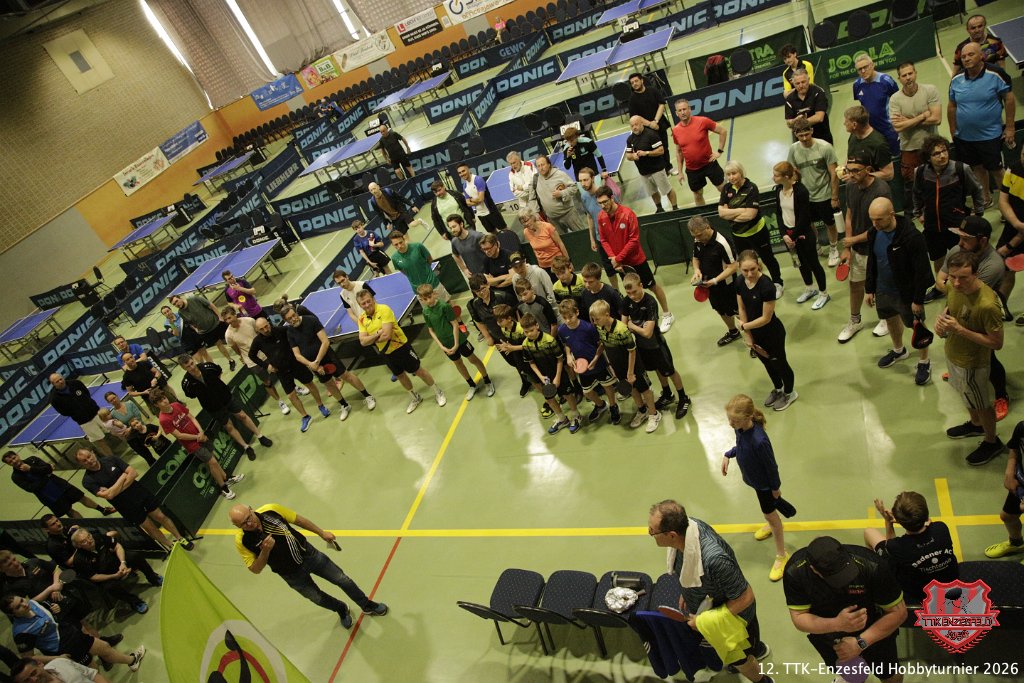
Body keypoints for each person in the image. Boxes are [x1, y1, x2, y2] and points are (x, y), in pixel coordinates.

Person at [647, 500, 772, 683]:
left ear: (672, 535)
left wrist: (704, 621)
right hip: (711, 604)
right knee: (748, 649)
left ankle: (762, 679)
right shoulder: (688, 529)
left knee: (740, 659)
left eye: (652, 531)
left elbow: (746, 597)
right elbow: (689, 571)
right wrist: (686, 590)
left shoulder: (714, 560)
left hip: (735, 621)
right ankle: (756, 649)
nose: (650, 533)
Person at [228, 503, 388, 628]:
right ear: (237, 526)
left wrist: (321, 533)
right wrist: (265, 551)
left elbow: (299, 520)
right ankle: (341, 608)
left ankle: (366, 605)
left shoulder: (270, 510)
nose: (249, 523)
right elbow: (255, 569)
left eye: (249, 517)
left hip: (309, 555)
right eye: (244, 524)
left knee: (342, 579)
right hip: (291, 574)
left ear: (251, 509)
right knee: (317, 598)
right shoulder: (242, 541)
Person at [782, 536, 907, 683]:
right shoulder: (795, 572)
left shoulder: (872, 566)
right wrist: (837, 624)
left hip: (875, 629)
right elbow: (799, 616)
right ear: (814, 569)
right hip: (830, 636)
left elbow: (899, 612)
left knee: (891, 676)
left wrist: (861, 642)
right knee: (853, 677)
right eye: (835, 577)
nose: (844, 581)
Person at [935, 250, 1006, 466]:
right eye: (953, 276)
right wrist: (942, 322)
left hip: (973, 364)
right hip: (953, 354)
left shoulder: (987, 305)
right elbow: (951, 307)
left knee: (982, 404)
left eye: (963, 277)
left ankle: (992, 441)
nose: (956, 283)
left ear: (976, 274)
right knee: (966, 396)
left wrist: (959, 329)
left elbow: (996, 343)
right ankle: (976, 425)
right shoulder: (953, 287)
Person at [721, 394, 795, 581]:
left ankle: (781, 555)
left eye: (734, 420)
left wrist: (775, 488)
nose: (730, 424)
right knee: (769, 513)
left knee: (770, 515)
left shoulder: (759, 440)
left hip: (765, 486)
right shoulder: (741, 429)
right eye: (730, 419)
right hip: (755, 481)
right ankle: (771, 521)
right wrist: (728, 454)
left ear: (748, 417)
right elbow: (741, 447)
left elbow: (771, 466)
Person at [864, 197, 933, 386]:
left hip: (906, 293)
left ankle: (924, 362)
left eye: (879, 219)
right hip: (883, 289)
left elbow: (922, 271)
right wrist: (869, 289)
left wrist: (918, 299)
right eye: (872, 219)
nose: (875, 224)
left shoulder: (911, 237)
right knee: (890, 319)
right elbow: (872, 261)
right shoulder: (874, 233)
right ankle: (899, 350)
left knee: (917, 326)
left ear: (891, 214)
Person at [75, 447, 192, 552]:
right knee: (149, 527)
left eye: (89, 456)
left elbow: (133, 473)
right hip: (125, 505)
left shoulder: (111, 459)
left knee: (160, 516)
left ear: (93, 453)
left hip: (140, 493)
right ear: (81, 464)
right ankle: (170, 546)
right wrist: (122, 477)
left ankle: (180, 538)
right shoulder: (87, 481)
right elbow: (109, 496)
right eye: (84, 461)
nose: (89, 460)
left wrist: (113, 490)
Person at [595, 186, 674, 332]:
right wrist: (614, 258)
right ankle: (640, 317)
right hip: (620, 264)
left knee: (652, 286)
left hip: (636, 260)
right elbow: (603, 240)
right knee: (631, 291)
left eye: (605, 202)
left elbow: (634, 240)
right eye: (599, 203)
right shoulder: (601, 217)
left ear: (612, 198)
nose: (603, 206)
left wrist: (618, 258)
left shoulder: (628, 214)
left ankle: (667, 314)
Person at [356, 289, 446, 414]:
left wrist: (371, 338)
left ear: (373, 299)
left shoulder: (384, 310)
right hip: (386, 352)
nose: (367, 305)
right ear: (360, 305)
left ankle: (438, 392)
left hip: (401, 347)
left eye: (368, 301)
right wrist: (377, 333)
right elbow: (362, 341)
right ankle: (415, 397)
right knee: (400, 375)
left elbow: (386, 335)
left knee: (418, 370)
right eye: (363, 303)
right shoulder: (361, 319)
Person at [948, 41, 1015, 209]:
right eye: (963, 56)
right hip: (965, 137)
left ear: (981, 56)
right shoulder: (956, 79)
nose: (966, 59)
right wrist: (953, 129)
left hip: (990, 135)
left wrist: (1010, 127)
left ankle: (1010, 204)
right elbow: (952, 105)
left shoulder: (996, 74)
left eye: (971, 54)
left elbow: (1009, 99)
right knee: (977, 168)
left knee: (997, 170)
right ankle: (985, 198)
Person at [1, 596, 144, 672]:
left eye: (21, 600)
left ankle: (132, 661)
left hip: (74, 635)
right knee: (93, 671)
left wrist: (55, 608)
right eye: (18, 607)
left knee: (105, 648)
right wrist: (57, 658)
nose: (24, 604)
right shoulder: (21, 632)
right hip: (64, 649)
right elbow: (28, 657)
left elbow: (49, 613)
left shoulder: (33, 603)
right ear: (13, 614)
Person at [837, 153, 893, 344]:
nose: (851, 175)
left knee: (881, 286)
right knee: (855, 285)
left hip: (879, 247)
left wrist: (852, 240)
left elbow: (879, 226)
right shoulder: (850, 186)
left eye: (855, 171)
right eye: (848, 170)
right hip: (858, 249)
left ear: (868, 170)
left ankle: (886, 318)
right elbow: (849, 215)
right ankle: (855, 321)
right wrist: (848, 246)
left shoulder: (881, 190)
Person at [864, 491, 958, 604]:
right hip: (950, 583)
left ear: (899, 521)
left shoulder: (898, 546)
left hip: (920, 593)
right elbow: (929, 524)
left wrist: (888, 522)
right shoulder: (941, 528)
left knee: (869, 532)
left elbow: (890, 546)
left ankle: (874, 573)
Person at [913, 135, 984, 282]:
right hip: (932, 226)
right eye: (936, 153)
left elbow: (977, 190)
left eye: (944, 151)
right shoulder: (920, 172)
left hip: (956, 225)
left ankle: (961, 285)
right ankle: (941, 285)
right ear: (928, 158)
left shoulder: (961, 169)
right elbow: (916, 193)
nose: (942, 156)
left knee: (960, 259)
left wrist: (978, 213)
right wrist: (918, 212)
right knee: (938, 258)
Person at [284, 306, 375, 420]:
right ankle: (344, 405)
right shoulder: (290, 332)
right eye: (289, 318)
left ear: (296, 313)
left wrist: (317, 361)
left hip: (328, 357)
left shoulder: (311, 320)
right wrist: (312, 365)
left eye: (294, 315)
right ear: (286, 320)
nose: (293, 319)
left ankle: (367, 396)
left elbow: (325, 342)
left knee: (346, 376)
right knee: (329, 384)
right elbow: (297, 355)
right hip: (313, 365)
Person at [151, 390, 243, 499]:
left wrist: (201, 431)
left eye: (164, 398)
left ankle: (226, 478)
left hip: (201, 435)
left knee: (213, 458)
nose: (165, 401)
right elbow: (179, 436)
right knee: (212, 462)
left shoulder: (176, 405)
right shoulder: (163, 419)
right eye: (160, 401)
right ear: (156, 405)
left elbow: (191, 417)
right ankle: (223, 488)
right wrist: (197, 437)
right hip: (192, 444)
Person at [735, 250, 798, 412]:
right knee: (767, 364)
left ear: (758, 265)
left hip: (772, 334)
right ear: (739, 268)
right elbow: (742, 308)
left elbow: (766, 318)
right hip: (755, 334)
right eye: (745, 270)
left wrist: (744, 327)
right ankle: (778, 389)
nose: (749, 274)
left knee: (780, 364)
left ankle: (790, 393)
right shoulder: (739, 281)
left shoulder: (767, 285)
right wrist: (748, 335)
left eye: (753, 269)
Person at [176, 354, 271, 460]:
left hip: (226, 397)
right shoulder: (186, 383)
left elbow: (219, 371)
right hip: (213, 407)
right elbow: (191, 395)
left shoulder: (208, 367)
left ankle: (260, 436)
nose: (192, 367)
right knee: (229, 426)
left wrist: (217, 387)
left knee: (242, 415)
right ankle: (246, 447)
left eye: (192, 363)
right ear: (183, 368)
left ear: (193, 360)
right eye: (188, 366)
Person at [622, 272, 690, 419]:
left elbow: (647, 333)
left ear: (641, 285)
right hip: (642, 346)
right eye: (628, 293)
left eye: (634, 292)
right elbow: (623, 325)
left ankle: (684, 398)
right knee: (657, 369)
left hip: (657, 345)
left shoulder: (650, 302)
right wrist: (636, 327)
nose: (632, 296)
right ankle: (667, 394)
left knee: (670, 371)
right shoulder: (626, 301)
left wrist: (632, 326)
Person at [591, 299, 661, 433]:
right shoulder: (600, 327)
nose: (595, 322)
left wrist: (630, 372)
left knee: (645, 389)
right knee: (631, 389)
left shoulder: (621, 330)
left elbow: (632, 351)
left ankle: (654, 414)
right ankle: (642, 410)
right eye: (593, 319)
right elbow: (604, 344)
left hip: (634, 366)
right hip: (618, 366)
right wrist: (596, 358)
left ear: (607, 315)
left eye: (597, 319)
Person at [417, 283, 493, 402]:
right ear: (421, 300)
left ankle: (487, 381)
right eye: (425, 299)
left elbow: (455, 324)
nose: (428, 300)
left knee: (473, 359)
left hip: (459, 340)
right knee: (458, 363)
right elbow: (431, 330)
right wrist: (441, 346)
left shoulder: (444, 306)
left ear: (434, 294)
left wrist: (456, 343)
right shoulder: (425, 311)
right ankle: (472, 385)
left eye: (430, 297)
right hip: (445, 344)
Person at [719, 161, 783, 297]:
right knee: (744, 262)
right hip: (738, 235)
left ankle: (777, 283)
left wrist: (731, 214)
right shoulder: (726, 189)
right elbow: (721, 213)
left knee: (768, 258)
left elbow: (750, 215)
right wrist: (741, 210)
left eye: (734, 173)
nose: (731, 177)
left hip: (757, 232)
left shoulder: (751, 188)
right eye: (728, 174)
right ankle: (752, 284)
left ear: (741, 172)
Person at [249, 317, 324, 433]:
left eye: (266, 326)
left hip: (296, 364)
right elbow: (251, 355)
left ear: (269, 323)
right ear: (257, 330)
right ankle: (305, 416)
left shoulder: (281, 330)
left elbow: (295, 333)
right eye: (262, 329)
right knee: (291, 396)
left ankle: (320, 405)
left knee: (310, 384)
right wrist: (266, 366)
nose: (265, 330)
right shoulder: (257, 341)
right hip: (281, 371)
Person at [773, 161, 829, 310]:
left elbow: (805, 218)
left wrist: (792, 236)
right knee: (800, 263)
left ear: (786, 177)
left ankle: (824, 293)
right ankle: (809, 288)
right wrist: (784, 234)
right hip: (788, 236)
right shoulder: (778, 190)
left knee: (814, 264)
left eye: (776, 175)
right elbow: (779, 213)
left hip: (803, 234)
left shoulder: (801, 191)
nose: (773, 178)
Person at [556, 299, 619, 425]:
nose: (568, 320)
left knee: (607, 386)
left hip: (598, 364)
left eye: (570, 316)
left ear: (577, 312)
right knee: (587, 392)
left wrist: (596, 359)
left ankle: (613, 406)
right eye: (564, 318)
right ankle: (601, 405)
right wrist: (568, 355)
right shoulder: (562, 330)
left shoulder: (589, 328)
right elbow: (567, 344)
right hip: (581, 367)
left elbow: (601, 344)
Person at [889, 61, 941, 214]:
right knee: (911, 183)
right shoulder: (895, 99)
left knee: (936, 178)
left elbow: (936, 118)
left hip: (931, 146)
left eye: (910, 73)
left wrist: (908, 121)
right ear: (899, 79)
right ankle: (915, 212)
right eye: (904, 75)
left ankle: (936, 207)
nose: (908, 78)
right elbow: (897, 127)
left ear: (915, 73)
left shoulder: (930, 90)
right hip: (908, 148)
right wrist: (922, 116)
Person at [788, 120, 842, 267]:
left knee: (830, 224)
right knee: (809, 224)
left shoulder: (825, 147)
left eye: (807, 134)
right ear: (795, 134)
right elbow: (792, 172)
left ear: (812, 130)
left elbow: (834, 173)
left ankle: (833, 249)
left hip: (824, 194)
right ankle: (816, 245)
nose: (804, 138)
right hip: (806, 197)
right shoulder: (793, 149)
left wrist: (834, 197)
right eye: (801, 136)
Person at [68, 528, 160, 613]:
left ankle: (153, 578)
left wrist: (123, 563)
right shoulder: (79, 560)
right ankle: (135, 602)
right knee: (110, 587)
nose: (89, 540)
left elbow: (117, 546)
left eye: (89, 536)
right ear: (78, 545)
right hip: (106, 575)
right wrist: (115, 576)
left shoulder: (98, 537)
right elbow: (94, 577)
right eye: (84, 541)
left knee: (135, 556)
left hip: (117, 563)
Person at [2, 451, 113, 519]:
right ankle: (87, 526)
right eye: (10, 461)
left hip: (60, 484)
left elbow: (48, 468)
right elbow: (31, 488)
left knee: (81, 497)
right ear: (8, 464)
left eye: (14, 458)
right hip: (49, 496)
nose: (14, 461)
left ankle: (103, 510)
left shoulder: (32, 460)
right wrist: (45, 476)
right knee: (69, 511)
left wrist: (31, 469)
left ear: (17, 455)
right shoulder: (16, 477)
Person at [222, 307, 290, 415]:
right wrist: (242, 356)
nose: (228, 321)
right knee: (267, 382)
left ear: (235, 314)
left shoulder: (249, 321)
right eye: (225, 319)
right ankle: (280, 402)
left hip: (266, 353)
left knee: (284, 372)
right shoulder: (228, 335)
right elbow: (236, 348)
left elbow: (261, 334)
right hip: (252, 361)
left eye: (229, 317)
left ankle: (295, 388)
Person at [521, 313, 582, 434]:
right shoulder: (525, 344)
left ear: (537, 326)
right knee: (550, 399)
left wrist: (558, 377)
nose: (529, 334)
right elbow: (531, 363)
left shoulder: (549, 340)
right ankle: (562, 419)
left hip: (558, 373)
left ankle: (576, 415)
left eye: (531, 330)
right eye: (526, 332)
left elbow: (560, 359)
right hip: (544, 377)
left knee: (568, 395)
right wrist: (540, 377)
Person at [688, 215, 741, 346]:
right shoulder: (697, 240)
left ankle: (754, 338)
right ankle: (733, 332)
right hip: (709, 285)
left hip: (727, 285)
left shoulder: (722, 243)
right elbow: (696, 258)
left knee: (739, 312)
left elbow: (733, 266)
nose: (697, 238)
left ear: (707, 227)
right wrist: (697, 270)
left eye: (699, 235)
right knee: (720, 309)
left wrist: (716, 280)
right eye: (695, 236)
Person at [672, 99, 727, 207]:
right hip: (692, 170)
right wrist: (680, 172)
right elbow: (679, 151)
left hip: (709, 163)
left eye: (684, 109)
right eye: (680, 110)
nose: (683, 112)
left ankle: (733, 207)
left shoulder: (703, 121)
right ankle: (703, 215)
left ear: (689, 109)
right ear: (676, 113)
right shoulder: (676, 130)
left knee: (722, 188)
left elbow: (723, 131)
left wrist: (719, 151)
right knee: (697, 194)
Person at [983, 419, 1024, 559]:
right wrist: (1010, 471)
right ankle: (1016, 543)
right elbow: (1015, 448)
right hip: (1020, 484)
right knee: (1008, 517)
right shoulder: (1022, 427)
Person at [48, 374, 113, 458]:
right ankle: (113, 459)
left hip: (96, 413)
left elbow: (87, 393)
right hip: (85, 422)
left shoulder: (76, 383)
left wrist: (89, 405)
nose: (60, 382)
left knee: (114, 429)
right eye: (57, 381)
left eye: (61, 379)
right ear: (53, 384)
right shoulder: (54, 398)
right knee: (100, 442)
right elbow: (63, 412)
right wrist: (77, 413)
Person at [169, 293, 238, 368]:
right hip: (206, 331)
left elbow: (211, 305)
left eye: (176, 301)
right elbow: (189, 322)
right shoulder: (180, 312)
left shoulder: (195, 299)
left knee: (231, 339)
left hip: (216, 323)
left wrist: (220, 317)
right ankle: (230, 360)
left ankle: (241, 353)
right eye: (174, 304)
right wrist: (196, 328)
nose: (176, 304)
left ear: (180, 298)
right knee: (219, 344)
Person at [578, 167, 620, 290]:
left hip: (615, 238)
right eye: (580, 181)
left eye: (586, 180)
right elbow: (590, 217)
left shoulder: (606, 194)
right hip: (600, 239)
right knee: (609, 270)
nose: (583, 184)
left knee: (621, 266)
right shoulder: (584, 197)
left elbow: (619, 212)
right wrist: (592, 239)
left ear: (592, 178)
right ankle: (616, 292)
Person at [626, 115, 677, 212]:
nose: (634, 127)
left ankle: (675, 208)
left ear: (642, 123)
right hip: (644, 172)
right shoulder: (630, 139)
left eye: (636, 124)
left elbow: (661, 150)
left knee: (667, 189)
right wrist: (633, 156)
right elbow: (628, 156)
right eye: (632, 126)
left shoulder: (651, 135)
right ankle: (659, 208)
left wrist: (646, 153)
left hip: (657, 169)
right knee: (653, 192)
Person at [852, 53, 899, 156]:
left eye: (865, 67)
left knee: (895, 157)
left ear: (872, 65)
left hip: (889, 129)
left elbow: (899, 101)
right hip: (871, 131)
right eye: (859, 69)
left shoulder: (886, 81)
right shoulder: (857, 85)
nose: (863, 71)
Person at [997, 144, 1024, 324]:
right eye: (1023, 154)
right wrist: (1015, 223)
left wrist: (1010, 245)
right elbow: (1003, 201)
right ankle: (1000, 307)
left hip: (1019, 232)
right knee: (1005, 269)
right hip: (1014, 225)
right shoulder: (1013, 169)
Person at [627, 72, 672, 174]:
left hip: (660, 124)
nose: (634, 84)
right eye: (632, 83)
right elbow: (636, 117)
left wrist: (655, 121)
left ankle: (668, 168)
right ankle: (661, 170)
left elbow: (661, 104)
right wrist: (650, 124)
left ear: (642, 80)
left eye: (636, 81)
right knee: (655, 150)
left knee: (665, 147)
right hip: (647, 130)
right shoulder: (632, 99)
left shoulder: (653, 90)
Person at [531, 155, 590, 233]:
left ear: (549, 164)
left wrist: (562, 193)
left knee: (582, 234)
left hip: (569, 214)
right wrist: (535, 211)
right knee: (562, 239)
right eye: (538, 166)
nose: (541, 168)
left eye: (543, 165)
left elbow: (574, 188)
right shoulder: (536, 179)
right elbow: (532, 198)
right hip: (552, 219)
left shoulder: (560, 174)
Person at [388, 231, 447, 300]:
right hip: (418, 289)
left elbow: (429, 259)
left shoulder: (418, 246)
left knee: (446, 302)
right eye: (396, 244)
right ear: (392, 245)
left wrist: (425, 271)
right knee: (428, 307)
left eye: (401, 242)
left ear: (404, 239)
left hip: (432, 283)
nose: (399, 246)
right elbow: (403, 271)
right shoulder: (394, 258)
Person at [843, 105, 895, 182]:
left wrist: (859, 176)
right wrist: (845, 167)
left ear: (854, 125)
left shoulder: (879, 144)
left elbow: (889, 174)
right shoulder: (854, 135)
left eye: (846, 121)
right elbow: (851, 156)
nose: (844, 123)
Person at [783, 70, 831, 144]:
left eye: (803, 82)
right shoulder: (789, 99)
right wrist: (795, 120)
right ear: (793, 83)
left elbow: (819, 117)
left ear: (808, 80)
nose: (801, 86)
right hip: (801, 142)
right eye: (797, 83)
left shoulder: (818, 92)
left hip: (822, 138)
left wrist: (800, 123)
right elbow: (789, 123)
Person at [458, 163, 505, 233]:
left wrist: (471, 200)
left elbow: (481, 199)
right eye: (459, 173)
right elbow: (468, 203)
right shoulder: (465, 186)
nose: (462, 174)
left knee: (505, 229)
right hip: (480, 214)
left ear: (468, 170)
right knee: (492, 232)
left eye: (463, 171)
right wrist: (476, 201)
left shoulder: (478, 179)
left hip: (491, 211)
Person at [518, 208, 568, 274]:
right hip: (543, 266)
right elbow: (535, 250)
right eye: (523, 222)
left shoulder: (548, 227)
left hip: (558, 263)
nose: (526, 224)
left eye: (527, 220)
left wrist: (568, 261)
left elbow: (560, 243)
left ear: (533, 217)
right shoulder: (526, 232)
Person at [11, 656, 113, 683]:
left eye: (33, 673)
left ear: (40, 664)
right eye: (27, 681)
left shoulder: (60, 662)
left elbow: (92, 675)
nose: (34, 680)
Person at [448, 214, 488, 279]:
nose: (452, 230)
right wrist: (464, 269)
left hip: (487, 273)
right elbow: (455, 255)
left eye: (454, 226)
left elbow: (492, 249)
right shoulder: (454, 241)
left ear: (461, 224)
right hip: (474, 276)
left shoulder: (478, 236)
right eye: (450, 228)